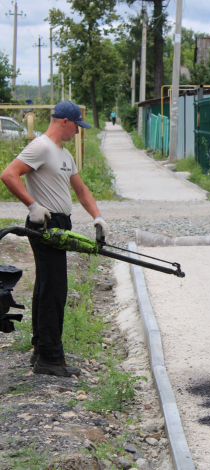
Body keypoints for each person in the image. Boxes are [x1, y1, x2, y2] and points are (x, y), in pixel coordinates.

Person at [0, 100, 108, 378]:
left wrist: (97, 217)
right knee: (54, 290)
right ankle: (50, 356)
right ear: (64, 122)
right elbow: (9, 175)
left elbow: (81, 190)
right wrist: (32, 205)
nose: (78, 131)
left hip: (61, 224)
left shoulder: (64, 154)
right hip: (45, 224)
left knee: (47, 286)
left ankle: (42, 349)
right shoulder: (41, 146)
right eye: (76, 126)